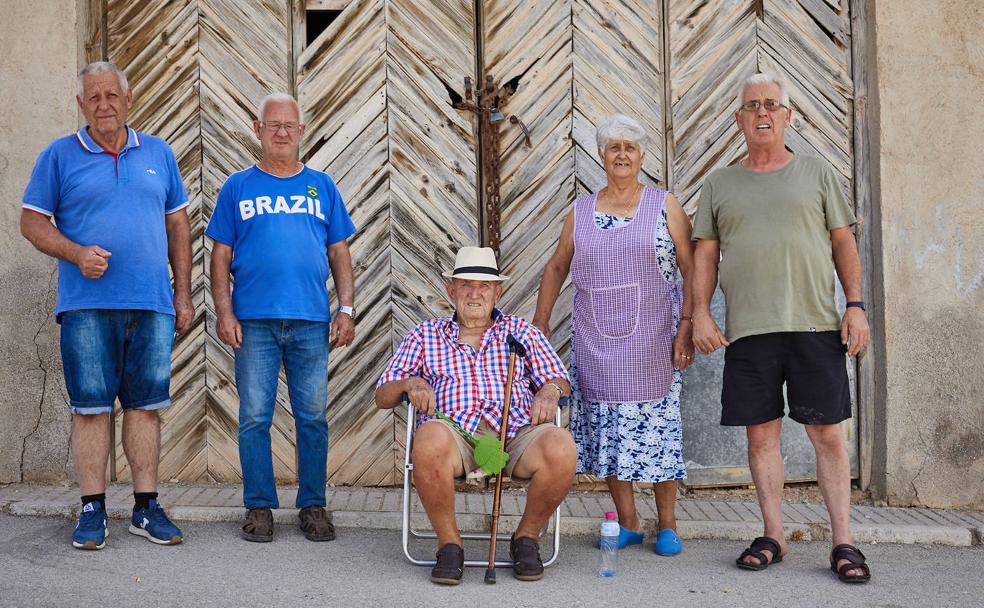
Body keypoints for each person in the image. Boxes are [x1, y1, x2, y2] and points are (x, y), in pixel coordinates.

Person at [691, 73, 871, 583]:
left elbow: (843, 244)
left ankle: (844, 543)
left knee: (827, 436)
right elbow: (704, 254)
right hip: (750, 331)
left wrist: (854, 306)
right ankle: (774, 534)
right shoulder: (720, 184)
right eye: (752, 106)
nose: (762, 113)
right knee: (760, 437)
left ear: (789, 116)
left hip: (815, 325)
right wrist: (701, 313)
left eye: (771, 104)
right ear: (739, 119)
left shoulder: (816, 173)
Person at [20, 61, 192, 549]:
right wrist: (75, 253)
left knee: (145, 407)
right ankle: (92, 509)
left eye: (111, 95)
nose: (104, 104)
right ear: (80, 105)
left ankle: (144, 508)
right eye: (93, 97)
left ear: (128, 98)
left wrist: (182, 293)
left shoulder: (158, 152)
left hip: (151, 303)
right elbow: (31, 222)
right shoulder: (59, 156)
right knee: (92, 408)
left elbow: (178, 226)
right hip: (87, 306)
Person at [533, 114, 696, 557]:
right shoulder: (581, 211)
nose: (621, 154)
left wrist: (688, 325)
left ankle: (667, 524)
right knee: (608, 431)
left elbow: (691, 266)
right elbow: (556, 267)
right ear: (601, 156)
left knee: (658, 432)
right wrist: (541, 326)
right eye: (613, 148)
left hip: (654, 339)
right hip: (596, 342)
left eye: (630, 147)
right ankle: (627, 523)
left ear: (642, 156)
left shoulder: (664, 205)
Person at [375, 246, 575, 585]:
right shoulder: (426, 335)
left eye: (484, 287)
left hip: (515, 435)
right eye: (466, 285)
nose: (474, 293)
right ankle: (449, 545)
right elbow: (382, 396)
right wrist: (411, 383)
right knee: (430, 437)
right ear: (451, 290)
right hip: (456, 437)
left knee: (561, 445)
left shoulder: (521, 332)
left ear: (498, 292)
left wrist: (549, 390)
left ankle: (526, 538)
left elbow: (560, 381)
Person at [206, 92, 356, 543]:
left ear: (302, 131)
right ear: (258, 130)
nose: (282, 132)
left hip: (311, 322)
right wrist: (224, 309)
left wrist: (345, 308)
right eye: (273, 125)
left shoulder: (322, 187)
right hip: (254, 323)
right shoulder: (237, 187)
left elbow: (339, 253)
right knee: (254, 416)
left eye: (290, 125)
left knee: (312, 417)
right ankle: (258, 507)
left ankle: (313, 505)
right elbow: (220, 256)